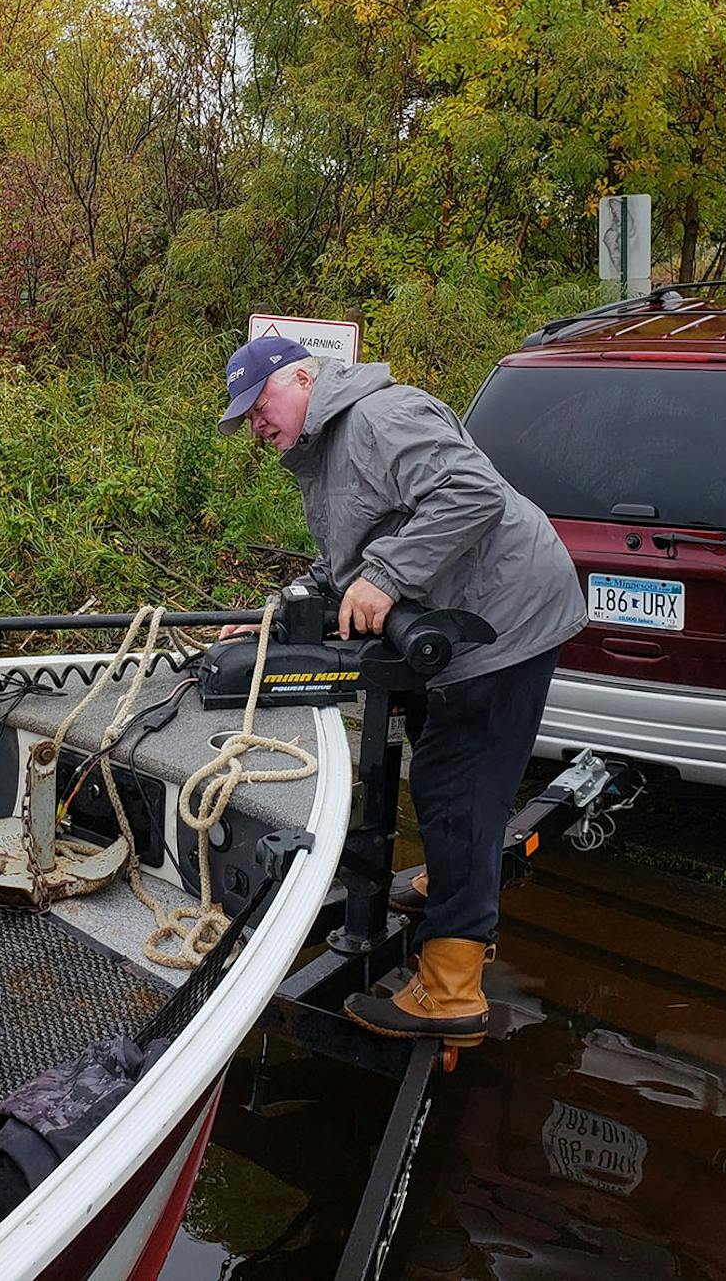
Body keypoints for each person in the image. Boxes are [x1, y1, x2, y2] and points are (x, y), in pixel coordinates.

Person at [217, 334, 585, 1040]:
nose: (258, 425)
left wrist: (387, 577)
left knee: (456, 784)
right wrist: (271, 619)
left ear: (304, 376)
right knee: (440, 765)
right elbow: (344, 562)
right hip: (449, 620)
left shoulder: (381, 417)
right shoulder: (322, 453)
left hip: (500, 619)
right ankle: (452, 873)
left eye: (262, 405)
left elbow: (470, 492)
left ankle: (451, 991)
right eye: (248, 419)